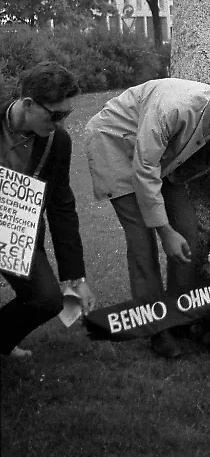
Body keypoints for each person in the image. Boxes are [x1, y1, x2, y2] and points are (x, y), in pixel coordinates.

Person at [84, 77, 210, 358]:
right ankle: (156, 330)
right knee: (142, 243)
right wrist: (164, 231)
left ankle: (179, 314)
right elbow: (144, 167)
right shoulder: (173, 109)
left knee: (188, 230)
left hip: (159, 159)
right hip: (116, 144)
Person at [0, 62, 96, 359]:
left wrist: (75, 278)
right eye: (55, 115)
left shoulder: (58, 142)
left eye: (65, 115)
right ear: (28, 104)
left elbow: (62, 207)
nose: (60, 123)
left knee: (46, 300)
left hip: (18, 232)